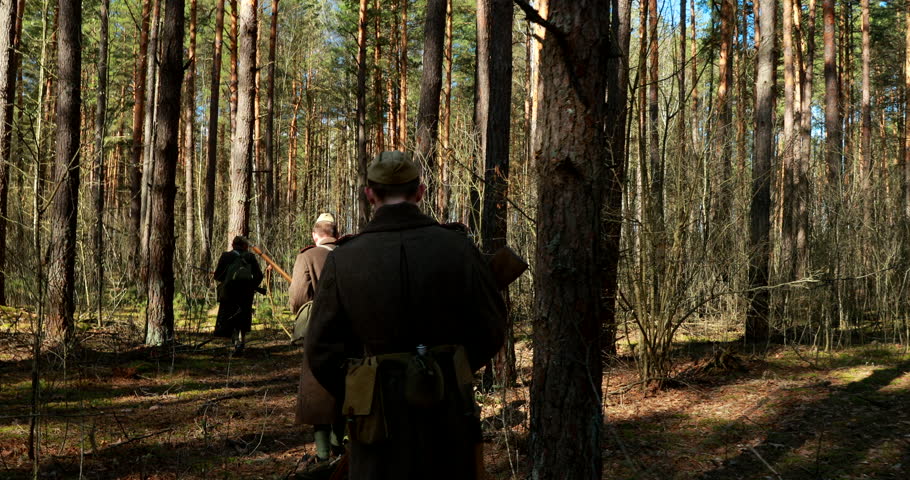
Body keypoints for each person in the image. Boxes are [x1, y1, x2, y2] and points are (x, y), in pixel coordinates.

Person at [305, 151, 507, 480]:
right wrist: (450, 368)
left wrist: (361, 390)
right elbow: (491, 328)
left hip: (376, 420)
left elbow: (321, 350)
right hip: (449, 413)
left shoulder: (344, 259)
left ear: (370, 193)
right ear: (420, 192)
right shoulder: (458, 249)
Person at [289, 213, 344, 463]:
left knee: (318, 390)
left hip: (319, 332)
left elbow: (298, 296)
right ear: (337, 233)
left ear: (315, 234)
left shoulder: (307, 256)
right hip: (350, 330)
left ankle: (323, 456)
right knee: (347, 387)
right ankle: (339, 447)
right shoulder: (350, 253)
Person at [213, 235, 264, 355]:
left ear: (233, 245)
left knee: (231, 316)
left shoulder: (226, 256)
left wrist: (227, 279)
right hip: (246, 292)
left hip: (229, 292)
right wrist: (251, 285)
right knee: (243, 317)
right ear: (245, 246)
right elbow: (259, 275)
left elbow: (217, 276)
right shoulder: (250, 257)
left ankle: (235, 343)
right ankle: (242, 342)